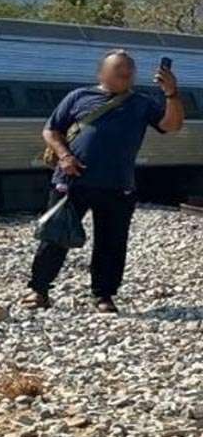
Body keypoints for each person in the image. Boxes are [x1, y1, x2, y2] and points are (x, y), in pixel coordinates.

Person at [25, 49, 184, 313]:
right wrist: (64, 156)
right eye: (120, 67)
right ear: (102, 72)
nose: (127, 71)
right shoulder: (78, 97)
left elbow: (172, 126)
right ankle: (38, 290)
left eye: (130, 68)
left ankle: (104, 295)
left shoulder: (141, 103)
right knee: (55, 236)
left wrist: (171, 93)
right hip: (72, 180)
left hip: (118, 184)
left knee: (112, 242)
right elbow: (51, 130)